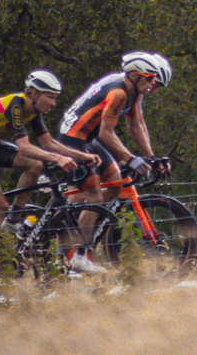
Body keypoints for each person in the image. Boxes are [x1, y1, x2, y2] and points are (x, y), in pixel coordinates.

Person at [58, 51, 171, 250]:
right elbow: (106, 134)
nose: (153, 88)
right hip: (73, 138)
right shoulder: (119, 92)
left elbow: (136, 125)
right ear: (138, 75)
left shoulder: (134, 91)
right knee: (86, 196)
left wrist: (151, 158)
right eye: (152, 82)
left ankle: (81, 239)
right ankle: (71, 251)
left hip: (89, 138)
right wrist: (130, 159)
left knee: (115, 183)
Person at [0, 69, 87, 227]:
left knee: (35, 165)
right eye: (50, 97)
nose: (53, 103)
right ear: (33, 93)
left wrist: (82, 156)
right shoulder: (15, 106)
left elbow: (49, 143)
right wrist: (58, 158)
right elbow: (25, 148)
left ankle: (13, 219)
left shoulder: (34, 111)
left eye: (55, 98)